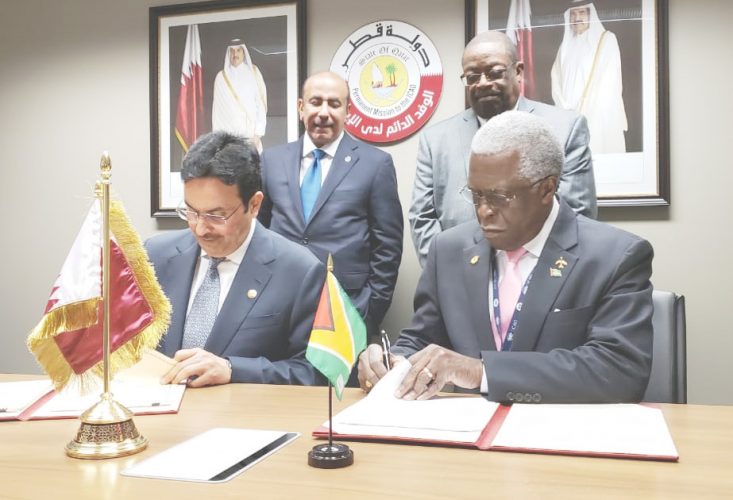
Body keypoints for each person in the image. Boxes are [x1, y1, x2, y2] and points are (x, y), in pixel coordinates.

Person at [359, 111, 653, 404]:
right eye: (475, 195)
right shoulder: (448, 249)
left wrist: (481, 372)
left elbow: (619, 371)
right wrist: (394, 361)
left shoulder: (615, 257)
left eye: (499, 197)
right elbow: (421, 340)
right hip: (463, 436)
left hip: (561, 436)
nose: (483, 210)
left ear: (547, 189)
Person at [146, 131, 325, 387]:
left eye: (216, 216)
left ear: (254, 205)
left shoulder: (300, 271)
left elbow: (316, 373)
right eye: (191, 211)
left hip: (247, 420)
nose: (200, 228)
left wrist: (234, 369)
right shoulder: (156, 256)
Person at [410, 30, 597, 267]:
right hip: (460, 278)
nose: (483, 83)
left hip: (542, 280)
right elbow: (422, 218)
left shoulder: (565, 128)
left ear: (518, 71)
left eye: (494, 72)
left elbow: (577, 215)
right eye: (472, 76)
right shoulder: (435, 139)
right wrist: (448, 275)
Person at [258, 71, 403, 341]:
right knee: (277, 382)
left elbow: (388, 249)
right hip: (277, 306)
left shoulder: (375, 164)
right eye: (316, 102)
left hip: (345, 311)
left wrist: (368, 312)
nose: (324, 112)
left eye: (334, 104)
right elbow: (258, 230)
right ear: (301, 108)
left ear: (347, 111)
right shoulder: (271, 160)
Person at [551, 2, 628, 154]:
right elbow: (555, 80)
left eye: (581, 13)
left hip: (597, 119)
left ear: (590, 15)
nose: (577, 17)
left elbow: (607, 85)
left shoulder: (607, 41)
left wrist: (584, 113)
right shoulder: (565, 47)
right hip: (569, 119)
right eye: (573, 13)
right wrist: (565, 109)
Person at [212, 40, 268, 152]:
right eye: (232, 51)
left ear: (244, 52)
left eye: (238, 50)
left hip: (251, 140)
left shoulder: (254, 72)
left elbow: (260, 105)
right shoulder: (221, 78)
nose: (235, 54)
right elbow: (217, 113)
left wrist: (257, 134)